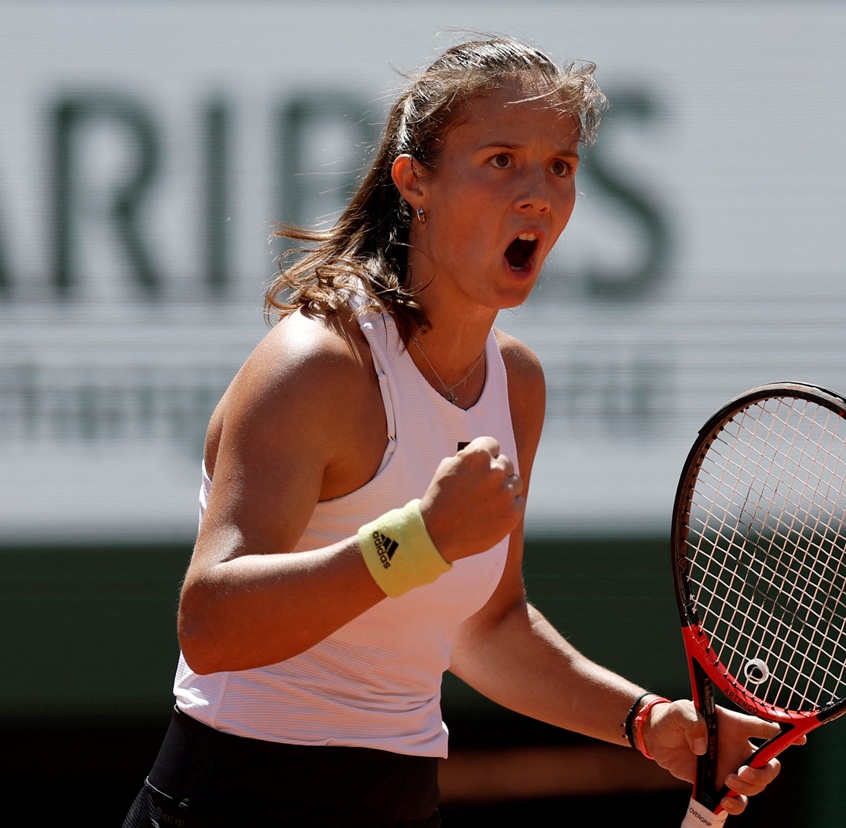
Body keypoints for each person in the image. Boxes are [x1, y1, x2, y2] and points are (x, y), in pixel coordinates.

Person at [122, 36, 784, 827]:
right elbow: (212, 627)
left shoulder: (517, 384)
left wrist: (647, 724)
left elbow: (485, 626)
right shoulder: (317, 365)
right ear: (416, 182)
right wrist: (417, 540)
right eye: (501, 160)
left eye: (560, 166)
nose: (538, 193)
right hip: (230, 806)